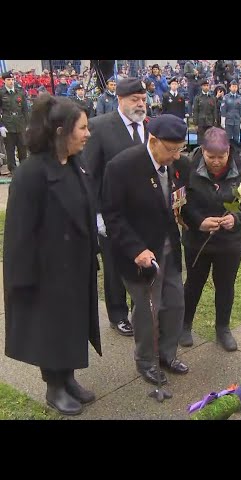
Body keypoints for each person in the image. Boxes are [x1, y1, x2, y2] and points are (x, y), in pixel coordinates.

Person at [3, 94, 101, 416]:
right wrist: (22, 281)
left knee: (72, 326)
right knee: (52, 329)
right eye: (82, 128)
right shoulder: (31, 174)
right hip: (46, 274)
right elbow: (19, 234)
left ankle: (68, 378)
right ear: (61, 131)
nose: (88, 134)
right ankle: (54, 387)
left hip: (74, 268)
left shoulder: (76, 164)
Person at [101, 115, 190, 385]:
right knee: (147, 311)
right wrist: (136, 249)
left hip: (169, 249)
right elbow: (112, 216)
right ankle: (146, 362)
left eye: (180, 149)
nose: (176, 156)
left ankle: (166, 354)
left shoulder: (179, 165)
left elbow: (183, 201)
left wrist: (195, 219)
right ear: (153, 141)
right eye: (171, 149)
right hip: (138, 256)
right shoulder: (122, 166)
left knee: (175, 304)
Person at [179, 127, 241, 350]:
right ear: (202, 151)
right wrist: (199, 222)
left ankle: (223, 328)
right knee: (193, 283)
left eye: (221, 157)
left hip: (230, 241)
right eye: (210, 157)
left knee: (225, 285)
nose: (216, 162)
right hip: (198, 240)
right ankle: (184, 325)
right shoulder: (188, 168)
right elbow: (181, 202)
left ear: (228, 152)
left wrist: (237, 218)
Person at [84, 77, 151, 337]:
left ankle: (140, 309)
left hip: (142, 213)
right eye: (135, 99)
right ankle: (117, 314)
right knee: (114, 267)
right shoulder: (100, 127)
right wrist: (97, 215)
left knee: (141, 260)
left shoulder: (149, 126)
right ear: (120, 100)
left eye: (143, 100)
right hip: (111, 213)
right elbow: (91, 174)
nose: (140, 104)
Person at [0, 72, 29, 176]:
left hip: (20, 123)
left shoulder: (19, 92)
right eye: (8, 80)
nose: (11, 82)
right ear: (4, 81)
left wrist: (27, 124)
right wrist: (1, 126)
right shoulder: (1, 93)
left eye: (12, 79)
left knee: (22, 147)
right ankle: (12, 169)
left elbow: (25, 109)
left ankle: (24, 168)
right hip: (8, 124)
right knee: (10, 148)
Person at [192, 79, 216, 145]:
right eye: (204, 85)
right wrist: (195, 123)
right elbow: (195, 111)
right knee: (201, 141)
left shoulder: (212, 98)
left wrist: (214, 123)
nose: (206, 87)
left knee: (210, 141)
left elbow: (214, 111)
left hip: (210, 122)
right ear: (201, 87)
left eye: (207, 85)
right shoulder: (198, 98)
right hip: (201, 122)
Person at [220, 80, 241, 144]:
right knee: (228, 140)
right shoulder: (226, 97)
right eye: (233, 86)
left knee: (236, 139)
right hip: (228, 121)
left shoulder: (240, 98)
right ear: (230, 88)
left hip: (237, 121)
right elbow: (223, 109)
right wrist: (223, 120)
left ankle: (235, 153)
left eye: (236, 87)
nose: (234, 88)